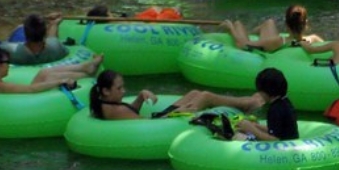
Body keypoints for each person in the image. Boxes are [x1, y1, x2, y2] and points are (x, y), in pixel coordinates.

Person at [88, 67, 274, 125]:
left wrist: (139, 98)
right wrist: (180, 112)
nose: (123, 91)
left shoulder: (107, 104)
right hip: (160, 123)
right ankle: (247, 103)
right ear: (106, 91)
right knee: (205, 96)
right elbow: (145, 125)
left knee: (194, 93)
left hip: (158, 119)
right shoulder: (114, 110)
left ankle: (247, 102)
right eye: (119, 88)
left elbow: (131, 114)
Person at [0, 46, 103, 94]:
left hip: (21, 100)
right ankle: (88, 76)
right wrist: (60, 82)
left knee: (44, 72)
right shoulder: (0, 86)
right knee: (50, 78)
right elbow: (31, 89)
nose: (9, 65)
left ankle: (85, 67)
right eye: (7, 62)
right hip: (25, 106)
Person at [222, 4, 323, 53]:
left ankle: (246, 32)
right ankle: (254, 32)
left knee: (237, 24)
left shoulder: (278, 41)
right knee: (269, 23)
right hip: (269, 40)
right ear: (306, 24)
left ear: (286, 24)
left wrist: (231, 29)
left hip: (265, 45)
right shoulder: (314, 39)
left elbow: (243, 45)